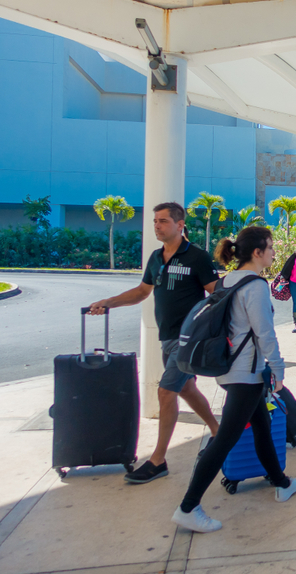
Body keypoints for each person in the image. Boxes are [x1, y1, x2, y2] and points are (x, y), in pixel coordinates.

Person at [171, 226, 296, 533]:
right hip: (246, 373)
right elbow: (264, 333)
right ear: (257, 253)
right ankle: (188, 506)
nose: (273, 252)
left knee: (262, 424)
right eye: (270, 248)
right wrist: (279, 370)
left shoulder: (226, 280)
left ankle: (281, 482)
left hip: (230, 370)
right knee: (225, 440)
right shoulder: (256, 286)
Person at [87, 202, 220, 484]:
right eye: (155, 221)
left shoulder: (197, 257)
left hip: (189, 338)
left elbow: (215, 295)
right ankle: (217, 430)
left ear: (180, 225)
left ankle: (158, 460)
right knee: (185, 387)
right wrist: (108, 302)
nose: (157, 226)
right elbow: (142, 292)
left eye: (162, 221)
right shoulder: (156, 258)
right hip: (168, 337)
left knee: (165, 391)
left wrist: (209, 330)